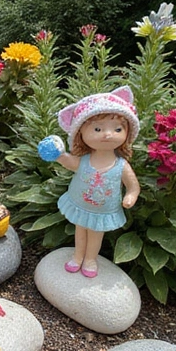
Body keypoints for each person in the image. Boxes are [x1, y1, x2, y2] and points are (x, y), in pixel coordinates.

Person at [38, 87, 140, 278]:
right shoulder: (84, 160)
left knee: (95, 234)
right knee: (80, 231)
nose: (107, 134)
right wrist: (59, 155)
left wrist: (130, 196)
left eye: (117, 129)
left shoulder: (121, 165)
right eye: (97, 129)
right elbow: (71, 163)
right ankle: (78, 256)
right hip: (80, 204)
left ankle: (91, 258)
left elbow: (133, 185)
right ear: (81, 133)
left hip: (102, 210)